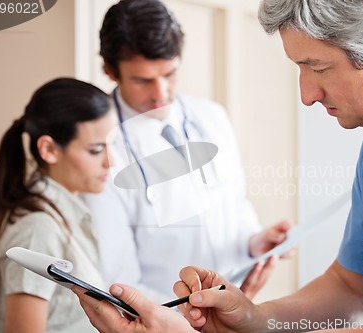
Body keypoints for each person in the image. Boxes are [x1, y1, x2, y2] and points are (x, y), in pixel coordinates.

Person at [73, 0, 363, 332]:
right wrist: (253, 318)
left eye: (318, 68)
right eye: (300, 68)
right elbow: (350, 285)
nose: (306, 94)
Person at [80, 0, 292, 304]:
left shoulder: (212, 117)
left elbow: (234, 205)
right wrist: (194, 314)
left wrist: (254, 242)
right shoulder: (99, 149)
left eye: (169, 74)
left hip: (233, 308)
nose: (161, 92)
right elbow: (120, 278)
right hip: (163, 321)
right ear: (110, 71)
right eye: (143, 80)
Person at [0, 78, 117, 333]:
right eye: (97, 150)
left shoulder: (65, 214)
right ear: (49, 149)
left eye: (112, 144)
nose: (112, 161)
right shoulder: (39, 228)